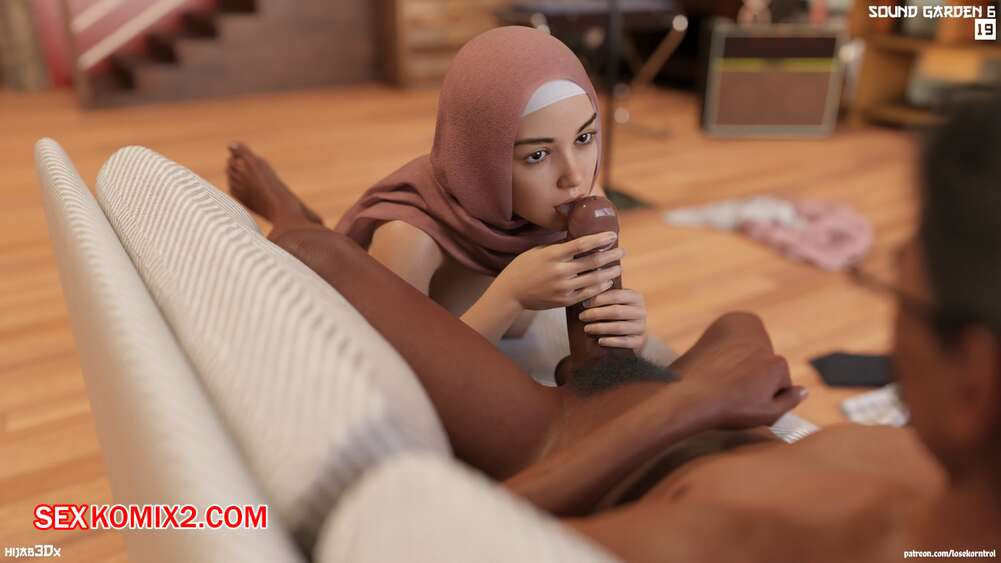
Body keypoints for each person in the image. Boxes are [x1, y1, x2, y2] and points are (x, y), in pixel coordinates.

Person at [265, 94, 1001, 560]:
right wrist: (710, 378)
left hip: (565, 435)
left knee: (315, 250)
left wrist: (695, 402)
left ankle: (290, 209)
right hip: (662, 390)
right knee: (707, 301)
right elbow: (738, 329)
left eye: (894, 291)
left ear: (972, 380)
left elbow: (421, 542)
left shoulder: (736, 539)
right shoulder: (929, 472)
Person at [226, 27, 664, 382]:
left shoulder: (583, 201)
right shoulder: (408, 239)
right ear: (481, 160)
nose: (574, 175)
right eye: (537, 155)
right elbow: (403, 374)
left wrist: (625, 328)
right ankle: (283, 206)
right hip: (349, 283)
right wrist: (509, 295)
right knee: (306, 246)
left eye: (584, 138)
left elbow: (599, 341)